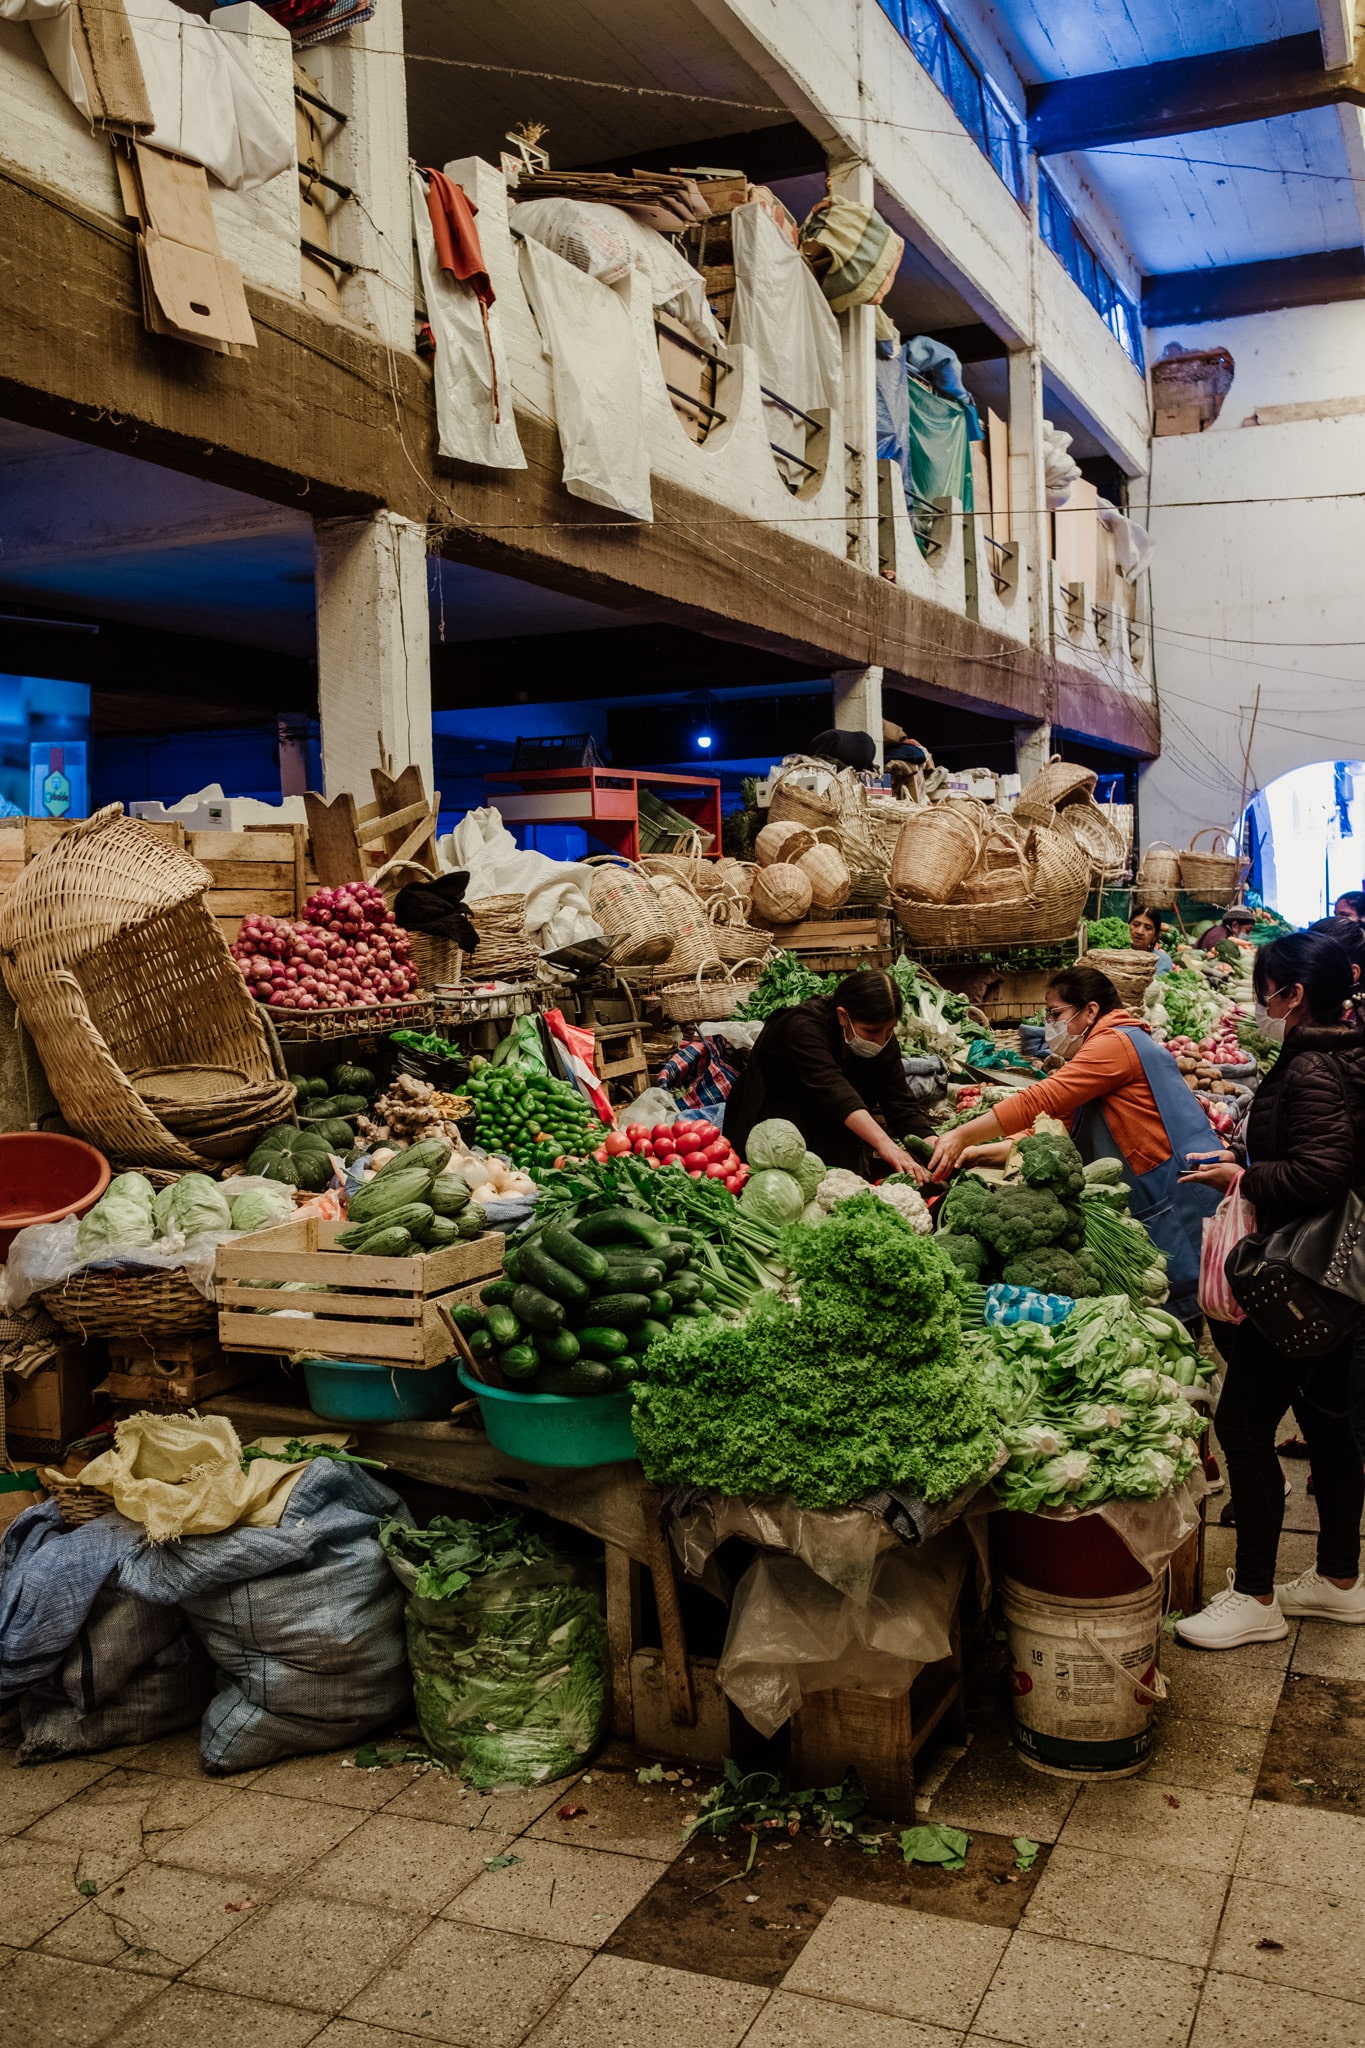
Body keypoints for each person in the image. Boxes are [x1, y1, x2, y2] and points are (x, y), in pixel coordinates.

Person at [1175, 931, 1365, 1649]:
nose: (1259, 1005)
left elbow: (1321, 1171)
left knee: (1244, 1427)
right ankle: (1339, 1579)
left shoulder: (1313, 1067)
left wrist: (1243, 1178)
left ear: (1291, 993)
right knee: (1325, 1425)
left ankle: (1253, 1593)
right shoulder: (1345, 1051)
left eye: (1265, 990)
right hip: (1339, 1280)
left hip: (1302, 1277)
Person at [927, 964, 1221, 1323]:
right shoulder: (1104, 1046)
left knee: (1208, 1304)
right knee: (1186, 1304)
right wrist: (979, 1153)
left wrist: (961, 1134)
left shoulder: (1115, 1044)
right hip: (1163, 1183)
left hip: (1173, 1188)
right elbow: (1055, 1130)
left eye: (1056, 1014)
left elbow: (1041, 1099)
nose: (1050, 1024)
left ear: (1091, 1011)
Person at [724, 967, 932, 1181]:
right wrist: (885, 1144)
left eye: (889, 1031)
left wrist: (931, 1142)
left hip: (835, 1132)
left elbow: (900, 1105)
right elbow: (834, 1090)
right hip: (777, 1134)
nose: (881, 1041)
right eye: (870, 1032)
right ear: (843, 1016)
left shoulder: (882, 1039)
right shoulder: (802, 1027)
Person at [1128, 907, 1174, 976]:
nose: (1139, 932)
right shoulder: (1112, 954)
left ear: (1155, 936)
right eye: (1136, 925)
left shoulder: (1162, 961)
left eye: (1148, 928)